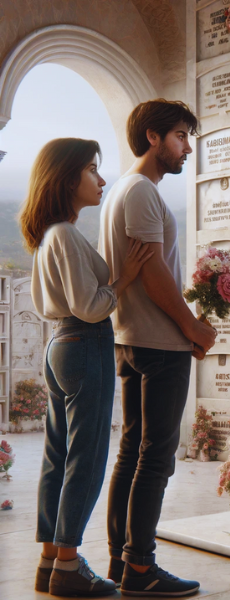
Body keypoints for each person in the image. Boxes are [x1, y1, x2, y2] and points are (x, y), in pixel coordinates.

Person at [20, 138, 153, 597]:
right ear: (66, 177)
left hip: (59, 344)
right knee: (87, 458)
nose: (100, 180)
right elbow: (91, 305)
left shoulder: (48, 235)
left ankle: (49, 561)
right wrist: (123, 280)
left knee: (57, 457)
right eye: (91, 171)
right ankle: (70, 566)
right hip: (84, 340)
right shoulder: (66, 235)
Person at [99, 99, 216, 597]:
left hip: (129, 339)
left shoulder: (121, 190)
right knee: (155, 458)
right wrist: (193, 328)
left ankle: (122, 564)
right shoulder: (142, 192)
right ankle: (141, 569)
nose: (188, 147)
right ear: (153, 136)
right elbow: (153, 276)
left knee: (131, 453)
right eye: (181, 136)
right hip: (158, 344)